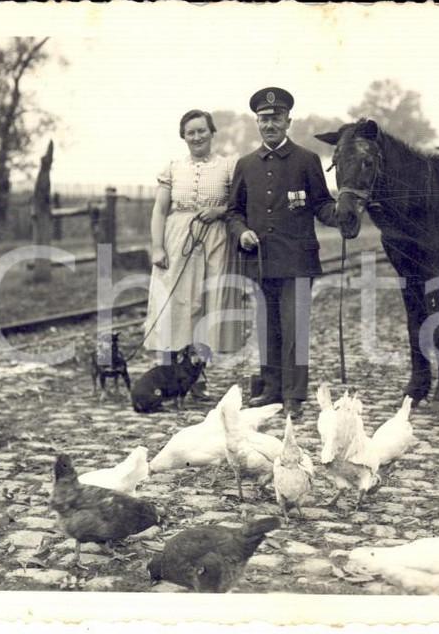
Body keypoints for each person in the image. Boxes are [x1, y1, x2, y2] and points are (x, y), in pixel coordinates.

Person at [224, 87, 345, 420]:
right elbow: (234, 211)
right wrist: (242, 232)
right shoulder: (246, 164)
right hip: (260, 261)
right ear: (257, 123)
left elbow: (321, 203)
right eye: (264, 119)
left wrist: (340, 215)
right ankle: (272, 389)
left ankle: (294, 396)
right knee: (267, 327)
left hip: (297, 260)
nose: (270, 124)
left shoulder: (306, 160)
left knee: (295, 330)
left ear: (288, 121)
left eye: (276, 118)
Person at [142, 109, 245, 395]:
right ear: (183, 137)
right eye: (191, 132)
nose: (197, 136)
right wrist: (157, 246)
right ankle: (166, 373)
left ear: (212, 133)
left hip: (216, 241)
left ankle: (196, 376)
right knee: (173, 304)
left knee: (209, 304)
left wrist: (219, 211)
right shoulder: (173, 167)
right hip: (178, 241)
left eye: (202, 130)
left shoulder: (228, 166)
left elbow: (240, 205)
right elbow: (160, 210)